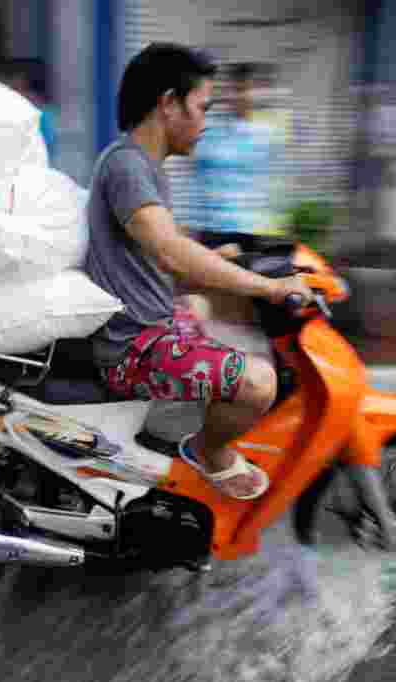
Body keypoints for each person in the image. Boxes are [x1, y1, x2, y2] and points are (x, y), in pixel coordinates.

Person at [83, 43, 314, 500]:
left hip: (151, 322)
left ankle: (171, 425)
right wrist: (268, 287)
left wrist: (217, 253)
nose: (206, 122)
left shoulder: (142, 164)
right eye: (201, 107)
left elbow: (162, 243)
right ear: (169, 103)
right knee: (260, 381)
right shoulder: (129, 166)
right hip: (135, 345)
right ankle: (208, 451)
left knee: (201, 304)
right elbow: (169, 252)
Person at [194, 62, 286, 250]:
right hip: (215, 228)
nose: (239, 96)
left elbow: (274, 183)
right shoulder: (209, 130)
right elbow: (197, 174)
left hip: (252, 230)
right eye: (234, 90)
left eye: (245, 90)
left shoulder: (268, 133)